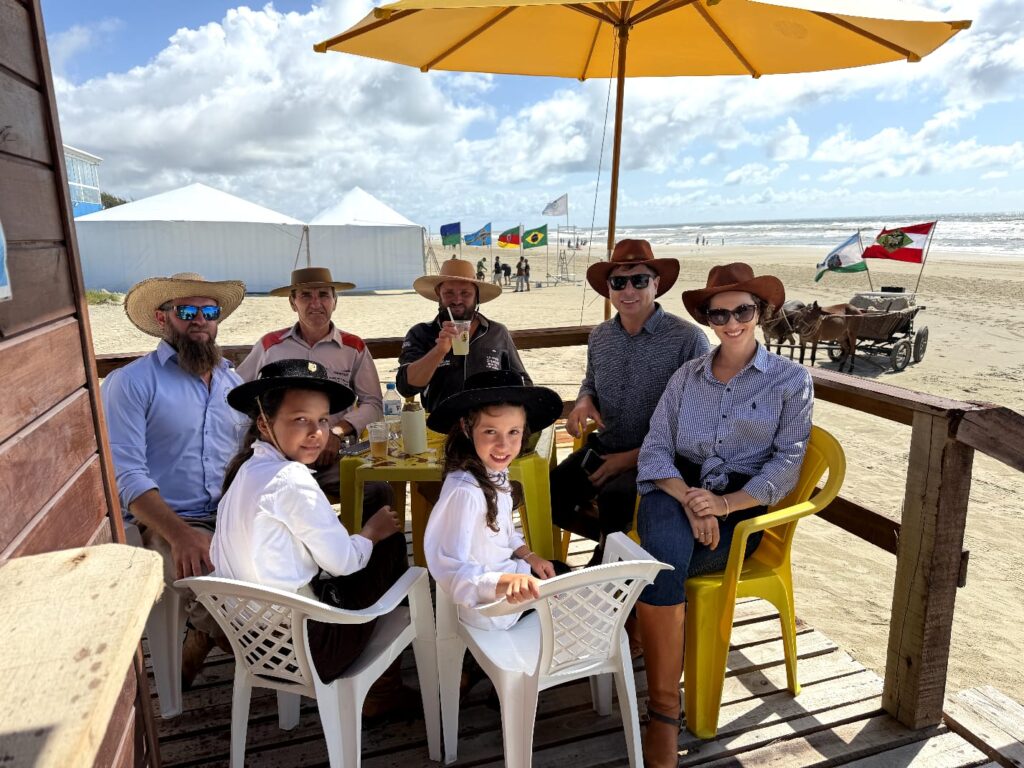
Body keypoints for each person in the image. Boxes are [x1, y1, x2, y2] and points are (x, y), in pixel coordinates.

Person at [633, 263, 813, 767]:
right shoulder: (686, 376)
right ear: (708, 319)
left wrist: (723, 504)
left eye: (743, 311)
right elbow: (656, 447)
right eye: (720, 314)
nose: (732, 323)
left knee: (657, 567)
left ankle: (641, 644)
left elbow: (787, 463)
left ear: (761, 313)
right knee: (665, 559)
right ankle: (665, 709)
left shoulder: (791, 380)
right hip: (674, 487)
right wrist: (693, 499)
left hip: (741, 503)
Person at [211, 359, 415, 719]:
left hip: (253, 644)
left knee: (355, 547)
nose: (316, 432)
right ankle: (385, 688)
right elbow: (344, 563)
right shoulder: (291, 479)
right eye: (300, 419)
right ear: (264, 423)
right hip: (310, 650)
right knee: (391, 545)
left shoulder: (243, 472)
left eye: (322, 421)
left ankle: (383, 683)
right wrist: (371, 533)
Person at [102, 271, 249, 685]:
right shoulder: (130, 382)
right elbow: (125, 476)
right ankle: (277, 647)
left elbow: (246, 456)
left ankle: (213, 635)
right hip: (165, 521)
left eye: (209, 311)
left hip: (228, 514)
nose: (200, 320)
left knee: (293, 561)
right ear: (162, 317)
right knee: (212, 577)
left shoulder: (231, 381)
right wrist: (179, 533)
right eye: (187, 311)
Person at [550, 240, 709, 563]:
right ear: (609, 288)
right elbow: (590, 381)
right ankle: (602, 549)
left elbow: (697, 419)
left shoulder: (688, 339)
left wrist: (629, 460)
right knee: (550, 491)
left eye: (639, 280)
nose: (629, 290)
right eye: (619, 282)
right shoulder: (600, 336)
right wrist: (584, 400)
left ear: (656, 284)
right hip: (605, 447)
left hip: (662, 459)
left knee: (615, 499)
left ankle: (606, 571)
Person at [236, 268, 391, 515]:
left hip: (329, 454)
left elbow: (373, 403)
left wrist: (336, 433)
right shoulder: (270, 345)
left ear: (335, 301)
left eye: (324, 295)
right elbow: (237, 392)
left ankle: (353, 540)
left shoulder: (353, 347)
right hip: (277, 456)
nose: (316, 303)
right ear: (292, 303)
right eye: (306, 295)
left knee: (377, 491)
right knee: (264, 499)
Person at [423, 370, 567, 630]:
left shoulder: (493, 472)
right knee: (575, 596)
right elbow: (452, 571)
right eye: (490, 431)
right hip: (493, 609)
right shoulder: (465, 492)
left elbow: (504, 532)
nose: (503, 445)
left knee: (563, 573)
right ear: (467, 428)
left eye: (513, 432)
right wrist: (509, 582)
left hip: (509, 580)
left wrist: (530, 556)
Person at [397, 258, 532, 413]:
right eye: (449, 293)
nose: (457, 300)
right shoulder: (421, 333)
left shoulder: (497, 332)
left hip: (489, 423)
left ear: (476, 296)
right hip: (440, 423)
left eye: (465, 293)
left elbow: (524, 383)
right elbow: (405, 387)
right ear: (439, 294)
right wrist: (438, 351)